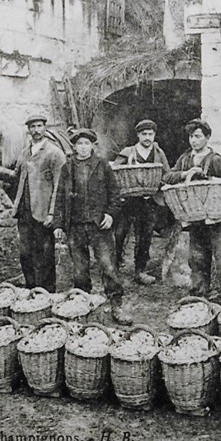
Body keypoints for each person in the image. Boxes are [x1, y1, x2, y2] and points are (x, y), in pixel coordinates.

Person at [53, 129, 132, 325]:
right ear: (74, 147)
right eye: (79, 144)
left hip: (99, 226)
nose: (83, 147)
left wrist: (110, 215)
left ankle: (116, 305)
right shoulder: (67, 167)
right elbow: (60, 197)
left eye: (87, 143)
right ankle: (83, 307)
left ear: (92, 146)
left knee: (108, 266)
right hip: (76, 226)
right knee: (79, 270)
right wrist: (58, 224)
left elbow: (115, 194)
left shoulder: (103, 165)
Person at [163, 119, 221, 305]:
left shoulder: (216, 160)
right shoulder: (185, 159)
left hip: (217, 219)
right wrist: (185, 174)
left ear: (207, 138)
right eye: (191, 136)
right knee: (197, 258)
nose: (193, 140)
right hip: (195, 218)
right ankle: (199, 293)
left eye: (198, 136)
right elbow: (167, 177)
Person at [0, 115, 66, 292]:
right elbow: (15, 176)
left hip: (43, 212)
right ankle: (30, 290)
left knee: (44, 255)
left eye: (39, 126)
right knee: (25, 254)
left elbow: (59, 187)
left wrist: (53, 213)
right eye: (32, 127)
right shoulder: (25, 152)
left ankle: (46, 293)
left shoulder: (54, 153)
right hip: (24, 211)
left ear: (45, 128)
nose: (36, 130)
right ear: (28, 130)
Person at [113, 119, 171, 285]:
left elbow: (166, 173)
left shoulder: (159, 153)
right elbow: (115, 172)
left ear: (154, 135)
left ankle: (140, 270)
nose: (147, 137)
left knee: (145, 237)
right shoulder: (128, 152)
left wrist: (161, 183)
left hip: (149, 201)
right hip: (128, 201)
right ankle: (115, 268)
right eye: (144, 134)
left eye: (150, 134)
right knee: (120, 234)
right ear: (138, 135)